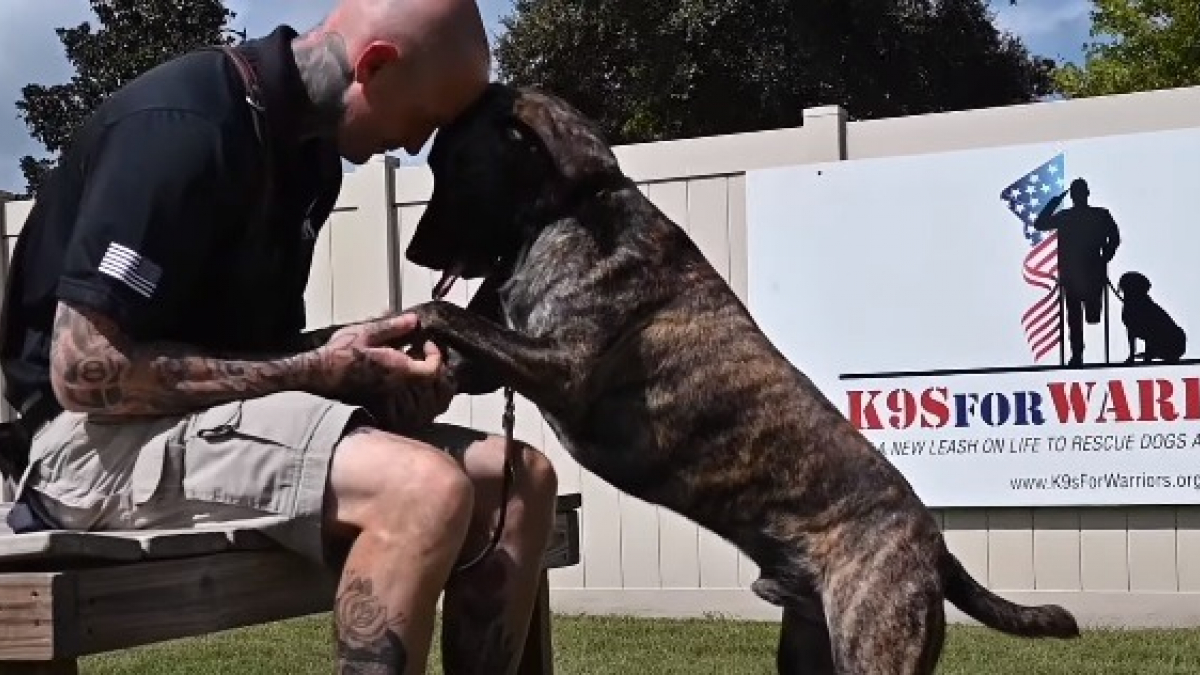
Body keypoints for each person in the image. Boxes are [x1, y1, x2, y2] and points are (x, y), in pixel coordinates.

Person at [0, 1, 560, 673]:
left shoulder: (307, 160)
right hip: (81, 444)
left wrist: (366, 367)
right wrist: (325, 369)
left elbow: (263, 361)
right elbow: (85, 369)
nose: (415, 146)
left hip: (179, 422)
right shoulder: (183, 127)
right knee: (422, 490)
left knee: (520, 480)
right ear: (374, 66)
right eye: (424, 120)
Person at [1034, 177, 1122, 366]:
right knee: (1074, 318)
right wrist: (1056, 201)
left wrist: (1107, 254)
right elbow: (1039, 224)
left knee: (1091, 316)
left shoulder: (1099, 215)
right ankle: (1077, 355)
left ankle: (1078, 353)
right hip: (1073, 274)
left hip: (1090, 273)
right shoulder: (1068, 216)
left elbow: (1114, 237)